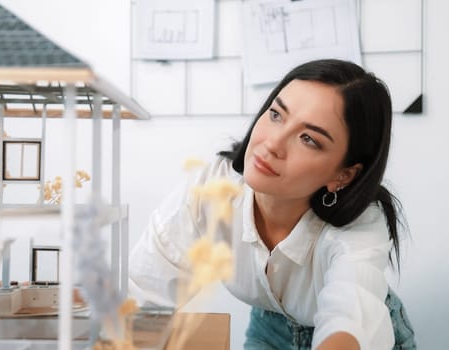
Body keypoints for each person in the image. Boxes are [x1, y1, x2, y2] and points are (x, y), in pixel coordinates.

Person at [129, 59, 416, 350]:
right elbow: (144, 291)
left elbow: (351, 319)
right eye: (277, 114)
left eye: (308, 139)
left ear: (343, 174)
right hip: (270, 327)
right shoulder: (213, 186)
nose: (272, 144)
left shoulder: (360, 223)